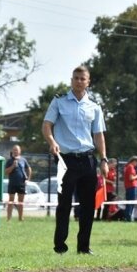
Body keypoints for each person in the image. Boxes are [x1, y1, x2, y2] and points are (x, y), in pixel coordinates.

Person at [42, 65, 108, 255]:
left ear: (88, 82)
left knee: (88, 206)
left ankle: (84, 248)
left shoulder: (94, 107)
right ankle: (60, 247)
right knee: (64, 205)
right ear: (71, 80)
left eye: (82, 78)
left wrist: (103, 159)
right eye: (76, 78)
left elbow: (99, 136)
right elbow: (47, 125)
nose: (79, 81)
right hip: (66, 161)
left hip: (88, 160)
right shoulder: (59, 102)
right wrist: (52, 141)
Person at [4, 144, 32, 222]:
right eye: (14, 150)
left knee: (21, 202)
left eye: (17, 150)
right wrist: (13, 166)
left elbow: (29, 169)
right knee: (10, 202)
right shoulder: (9, 161)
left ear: (20, 151)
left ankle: (20, 218)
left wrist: (28, 179)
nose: (15, 151)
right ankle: (8, 219)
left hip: (21, 184)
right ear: (12, 151)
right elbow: (6, 172)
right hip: (12, 184)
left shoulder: (23, 160)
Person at [123, 155, 137, 221]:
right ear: (134, 161)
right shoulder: (130, 167)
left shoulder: (127, 166)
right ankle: (128, 217)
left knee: (129, 202)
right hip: (132, 187)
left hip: (129, 187)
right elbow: (131, 178)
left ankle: (128, 217)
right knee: (131, 202)